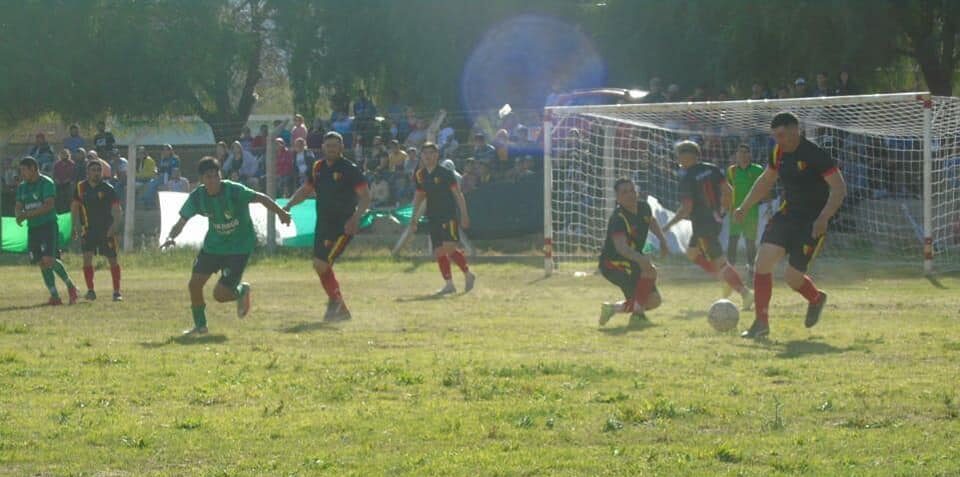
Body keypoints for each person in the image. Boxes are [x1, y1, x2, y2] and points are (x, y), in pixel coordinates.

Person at [734, 112, 846, 339]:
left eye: (782, 135)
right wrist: (744, 206)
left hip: (812, 222)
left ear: (796, 129)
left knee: (792, 278)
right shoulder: (778, 152)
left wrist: (824, 218)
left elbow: (839, 188)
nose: (779, 140)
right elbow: (767, 180)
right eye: (775, 136)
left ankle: (816, 298)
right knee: (762, 263)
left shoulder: (815, 154)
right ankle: (761, 323)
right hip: (787, 215)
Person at [161, 157, 291, 336]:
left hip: (239, 247)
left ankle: (241, 290)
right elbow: (181, 221)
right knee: (194, 285)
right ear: (201, 179)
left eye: (216, 176)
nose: (213, 180)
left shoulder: (234, 190)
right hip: (213, 247)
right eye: (209, 177)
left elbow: (260, 198)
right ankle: (201, 327)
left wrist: (281, 212)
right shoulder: (198, 197)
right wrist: (170, 237)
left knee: (220, 295)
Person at [283, 132, 371, 321]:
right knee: (319, 265)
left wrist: (355, 218)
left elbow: (365, 197)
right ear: (323, 147)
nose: (331, 149)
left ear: (341, 148)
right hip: (323, 224)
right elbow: (306, 190)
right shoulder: (318, 167)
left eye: (335, 146)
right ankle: (341, 308)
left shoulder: (350, 169)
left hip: (343, 227)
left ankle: (335, 303)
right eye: (328, 145)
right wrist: (288, 205)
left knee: (322, 264)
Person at [663, 140, 753, 308]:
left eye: (679, 155)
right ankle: (725, 280)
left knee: (720, 261)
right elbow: (729, 191)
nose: (677, 159)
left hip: (702, 225)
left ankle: (744, 292)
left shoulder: (687, 178)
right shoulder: (712, 169)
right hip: (715, 220)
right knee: (692, 253)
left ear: (687, 155)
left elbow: (686, 209)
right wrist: (725, 210)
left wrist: (667, 226)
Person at [598, 178, 669, 326]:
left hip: (631, 260)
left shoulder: (644, 207)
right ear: (618, 198)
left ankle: (612, 309)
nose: (630, 194)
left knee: (654, 301)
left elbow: (651, 221)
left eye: (632, 190)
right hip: (613, 264)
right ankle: (637, 318)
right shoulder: (618, 218)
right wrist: (642, 260)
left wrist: (662, 240)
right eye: (624, 192)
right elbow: (622, 248)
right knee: (648, 276)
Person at [408, 143, 476, 294]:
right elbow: (419, 196)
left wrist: (464, 215)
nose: (428, 156)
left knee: (449, 248)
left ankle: (468, 274)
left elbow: (458, 195)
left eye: (431, 153)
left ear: (437, 155)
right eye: (425, 153)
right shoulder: (420, 175)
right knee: (438, 251)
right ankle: (449, 284)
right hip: (433, 217)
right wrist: (413, 218)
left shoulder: (445, 173)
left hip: (448, 216)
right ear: (421, 156)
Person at [15, 157, 79, 305]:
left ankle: (71, 287)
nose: (22, 173)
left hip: (48, 226)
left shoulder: (46, 183)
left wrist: (26, 215)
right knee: (41, 262)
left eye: (24, 170)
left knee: (48, 259)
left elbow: (48, 206)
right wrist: (18, 215)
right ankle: (55, 296)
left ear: (33, 168)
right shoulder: (22, 187)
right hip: (33, 228)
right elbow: (18, 205)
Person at [71, 159, 123, 301]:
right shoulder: (81, 187)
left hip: (106, 230)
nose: (96, 173)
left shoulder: (108, 188)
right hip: (88, 230)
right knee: (87, 259)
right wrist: (74, 226)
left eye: (98, 170)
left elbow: (117, 209)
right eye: (93, 170)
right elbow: (74, 207)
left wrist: (114, 226)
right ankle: (90, 290)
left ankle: (117, 292)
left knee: (112, 260)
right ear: (87, 172)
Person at [726, 143, 765, 277]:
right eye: (740, 152)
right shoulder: (731, 170)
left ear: (750, 155)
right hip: (734, 210)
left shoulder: (757, 169)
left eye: (745, 152)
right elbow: (727, 190)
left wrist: (769, 206)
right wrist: (725, 207)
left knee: (750, 241)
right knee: (733, 239)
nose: (743, 155)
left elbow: (764, 188)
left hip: (751, 211)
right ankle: (730, 267)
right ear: (736, 155)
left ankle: (751, 267)